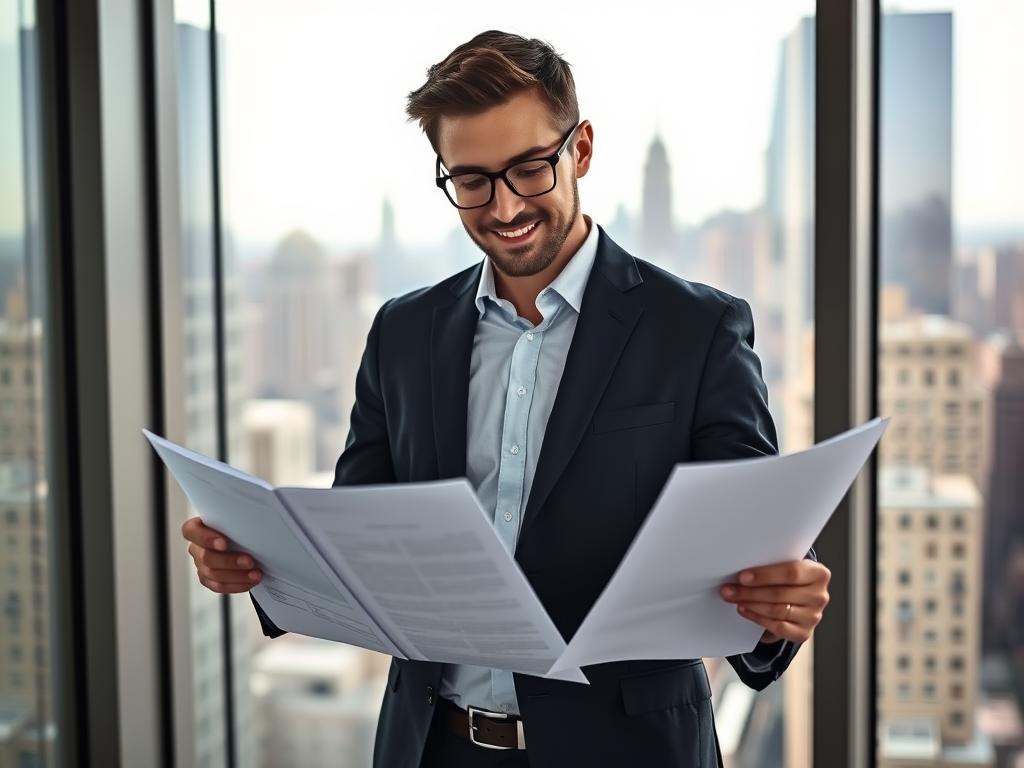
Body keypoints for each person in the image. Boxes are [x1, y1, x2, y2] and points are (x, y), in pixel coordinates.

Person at [181, 29, 831, 768]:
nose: (504, 206)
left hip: (630, 752)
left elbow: (757, 536)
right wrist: (258, 564)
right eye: (472, 181)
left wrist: (784, 599)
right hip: (434, 748)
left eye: (529, 169)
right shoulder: (402, 332)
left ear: (580, 149)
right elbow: (358, 535)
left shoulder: (697, 328)